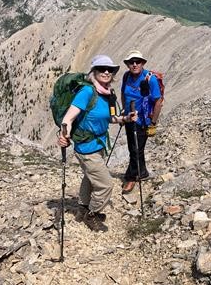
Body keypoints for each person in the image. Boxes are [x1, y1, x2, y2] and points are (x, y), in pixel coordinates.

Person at [58, 55, 137, 232]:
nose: (107, 72)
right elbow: (68, 118)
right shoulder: (87, 92)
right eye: (102, 69)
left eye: (110, 69)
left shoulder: (107, 93)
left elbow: (109, 117)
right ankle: (92, 215)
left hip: (99, 144)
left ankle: (82, 208)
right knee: (106, 184)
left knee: (90, 177)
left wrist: (125, 118)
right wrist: (64, 135)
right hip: (86, 147)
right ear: (93, 71)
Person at [121, 50, 163, 194]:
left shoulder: (149, 79)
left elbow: (158, 101)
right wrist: (123, 112)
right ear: (127, 64)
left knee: (136, 149)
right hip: (129, 118)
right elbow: (123, 94)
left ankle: (132, 178)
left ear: (143, 63)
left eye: (137, 61)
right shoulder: (126, 76)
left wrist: (153, 123)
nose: (134, 64)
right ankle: (142, 172)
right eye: (131, 62)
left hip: (143, 120)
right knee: (133, 147)